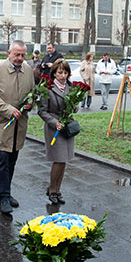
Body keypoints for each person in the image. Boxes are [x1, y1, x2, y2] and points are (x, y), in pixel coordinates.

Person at [0, 40, 35, 214]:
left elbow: (32, 93)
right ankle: (4, 197)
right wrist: (8, 109)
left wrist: (30, 104)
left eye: (22, 55)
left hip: (19, 124)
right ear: (9, 53)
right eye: (17, 54)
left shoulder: (28, 69)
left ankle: (7, 192)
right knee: (3, 161)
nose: (20, 58)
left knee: (12, 160)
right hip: (2, 123)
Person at [38, 59, 77, 204]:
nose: (63, 75)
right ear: (54, 72)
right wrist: (55, 123)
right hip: (54, 127)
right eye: (60, 72)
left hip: (67, 127)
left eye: (65, 72)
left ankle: (57, 190)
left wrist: (74, 106)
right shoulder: (47, 88)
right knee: (59, 160)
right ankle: (52, 190)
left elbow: (74, 107)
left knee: (64, 160)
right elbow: (42, 111)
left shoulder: (71, 87)